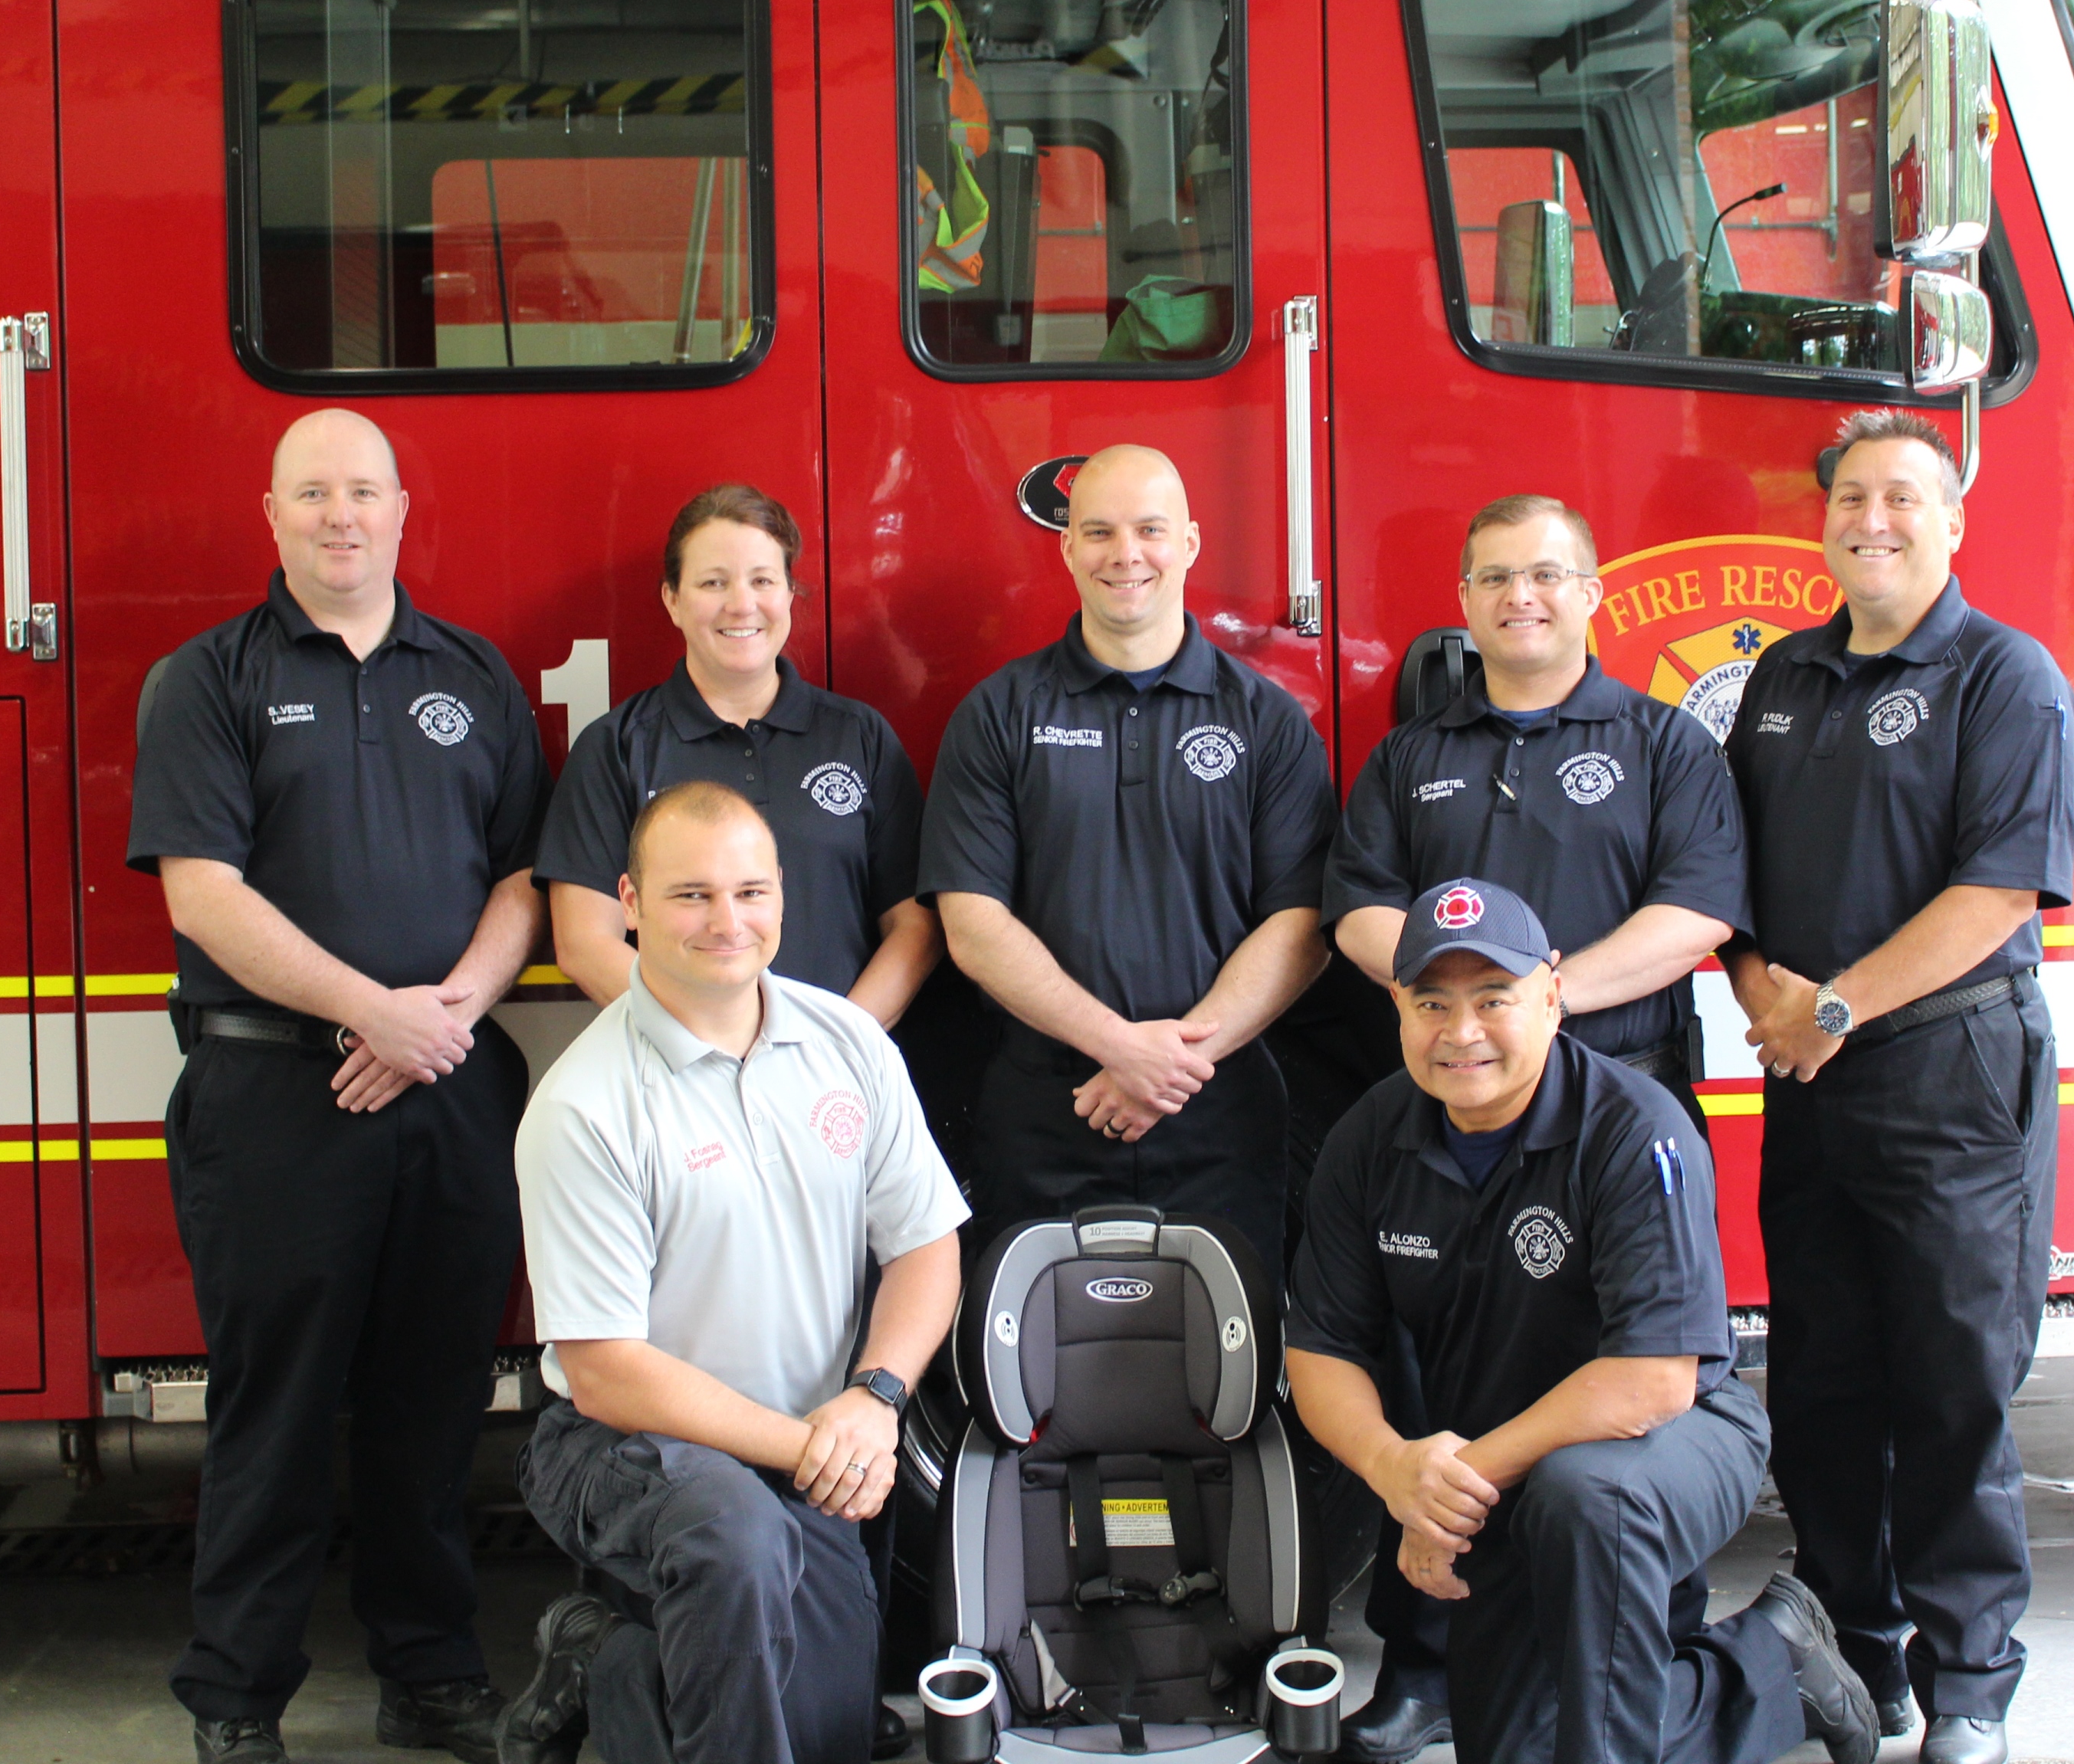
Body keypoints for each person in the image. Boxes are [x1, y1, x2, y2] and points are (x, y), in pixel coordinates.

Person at [127, 408, 551, 1764]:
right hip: (274, 1100)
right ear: (271, 514)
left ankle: (429, 1675)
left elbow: (521, 883)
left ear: (400, 511)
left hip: (448, 1091)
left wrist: (447, 1015)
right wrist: (370, 1009)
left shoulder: (474, 674)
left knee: (435, 1405)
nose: (339, 515)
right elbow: (203, 891)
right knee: (277, 1407)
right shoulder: (205, 679)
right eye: (311, 493)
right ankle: (236, 1697)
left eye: (362, 490)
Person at [1319, 493, 1751, 1761]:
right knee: (1429, 1377)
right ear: (1462, 599)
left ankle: (1657, 1653)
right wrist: (1469, 1019)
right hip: (1452, 1112)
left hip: (1612, 1105)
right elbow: (1355, 911)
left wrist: (1541, 1009)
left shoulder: (1663, 743)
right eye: (1497, 576)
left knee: (1609, 1425)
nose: (1522, 596)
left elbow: (1700, 910)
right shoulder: (1409, 759)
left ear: (1591, 593)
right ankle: (1424, 1655)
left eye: (1548, 575)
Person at [1283, 878, 1876, 1764]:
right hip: (1509, 1463)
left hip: (1673, 1435)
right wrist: (1395, 1469)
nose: (1461, 1032)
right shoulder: (1368, 1140)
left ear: (1553, 996)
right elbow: (1320, 1349)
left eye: (1495, 999)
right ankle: (1771, 1665)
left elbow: (1653, 1380)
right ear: (1398, 1006)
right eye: (1431, 1002)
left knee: (1585, 1499)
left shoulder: (1637, 1129)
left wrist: (1451, 1490)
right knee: (1517, 1745)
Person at [1721, 409, 2074, 1764]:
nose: (1869, 518)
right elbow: (1728, 868)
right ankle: (1857, 1656)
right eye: (1848, 497)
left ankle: (1970, 1683)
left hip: (1950, 1073)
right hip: (1808, 1074)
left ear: (1951, 522)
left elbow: (1992, 892)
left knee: (1951, 1383)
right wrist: (1762, 987)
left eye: (1901, 498)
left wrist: (1828, 1004)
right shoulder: (1781, 678)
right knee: (1819, 1380)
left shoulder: (2005, 676)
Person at [501, 781, 969, 1764]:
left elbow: (926, 1246)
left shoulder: (847, 1044)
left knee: (829, 1733)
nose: (728, 921)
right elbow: (606, 1371)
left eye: (751, 892)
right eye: (691, 896)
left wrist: (875, 1398)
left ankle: (605, 1661)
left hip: (809, 1436)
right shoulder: (587, 1105)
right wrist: (811, 1448)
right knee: (735, 1541)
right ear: (628, 902)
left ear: (783, 898)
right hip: (623, 1440)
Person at [917, 443, 1334, 1261]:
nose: (1126, 554)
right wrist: (1119, 1047)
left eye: (1150, 529)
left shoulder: (1268, 721)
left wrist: (1169, 1067)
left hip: (1219, 1113)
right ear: (1068, 548)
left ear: (1189, 542)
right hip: (1050, 1110)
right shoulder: (999, 714)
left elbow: (1304, 924)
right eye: (1099, 532)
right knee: (1038, 1375)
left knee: (1229, 1371)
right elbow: (971, 922)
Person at [537, 482, 937, 1025]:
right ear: (673, 601)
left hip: (836, 1080)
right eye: (713, 583)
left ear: (790, 594)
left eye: (763, 580)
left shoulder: (860, 738)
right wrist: (708, 1049)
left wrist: (835, 1049)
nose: (741, 604)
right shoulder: (615, 747)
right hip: (677, 1080)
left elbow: (914, 928)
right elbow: (585, 942)